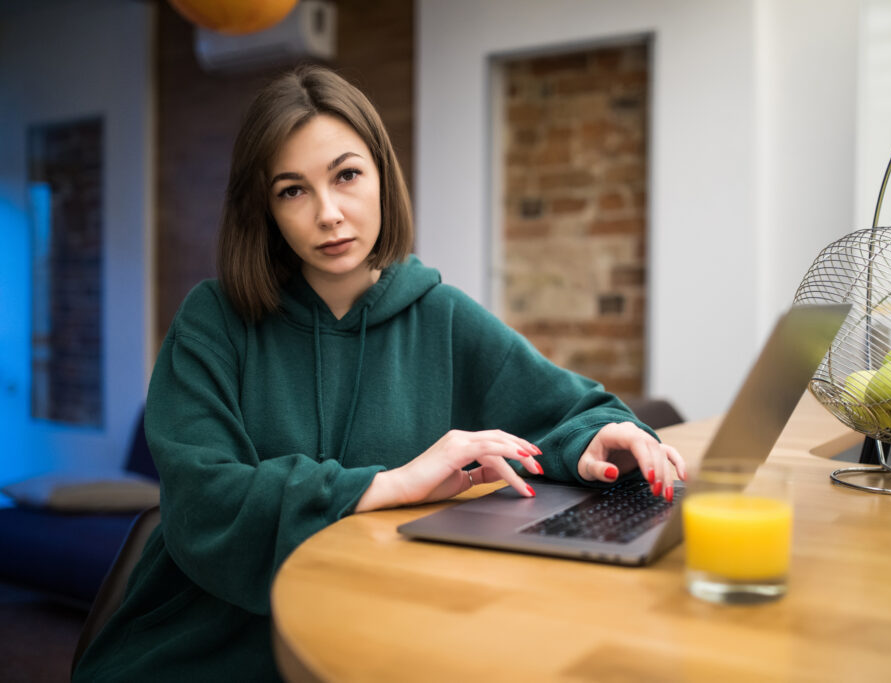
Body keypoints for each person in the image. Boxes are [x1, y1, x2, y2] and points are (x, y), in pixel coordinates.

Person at [73, 64, 685, 682]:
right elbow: (203, 500)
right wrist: (393, 484)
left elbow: (574, 413)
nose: (329, 213)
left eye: (346, 176)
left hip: (378, 618)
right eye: (293, 190)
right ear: (265, 208)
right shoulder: (214, 320)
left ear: (382, 178)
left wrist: (597, 440)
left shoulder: (442, 315)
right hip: (208, 637)